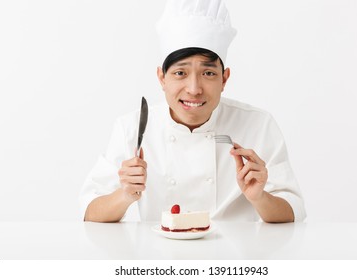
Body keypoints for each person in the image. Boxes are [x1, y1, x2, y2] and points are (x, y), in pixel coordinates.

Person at [80, 0, 306, 223]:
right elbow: (90, 212)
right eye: (180, 73)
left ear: (224, 78)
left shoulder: (258, 124)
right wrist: (125, 195)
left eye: (208, 73)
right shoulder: (131, 127)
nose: (194, 89)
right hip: (157, 255)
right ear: (162, 78)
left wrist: (260, 198)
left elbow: (293, 212)